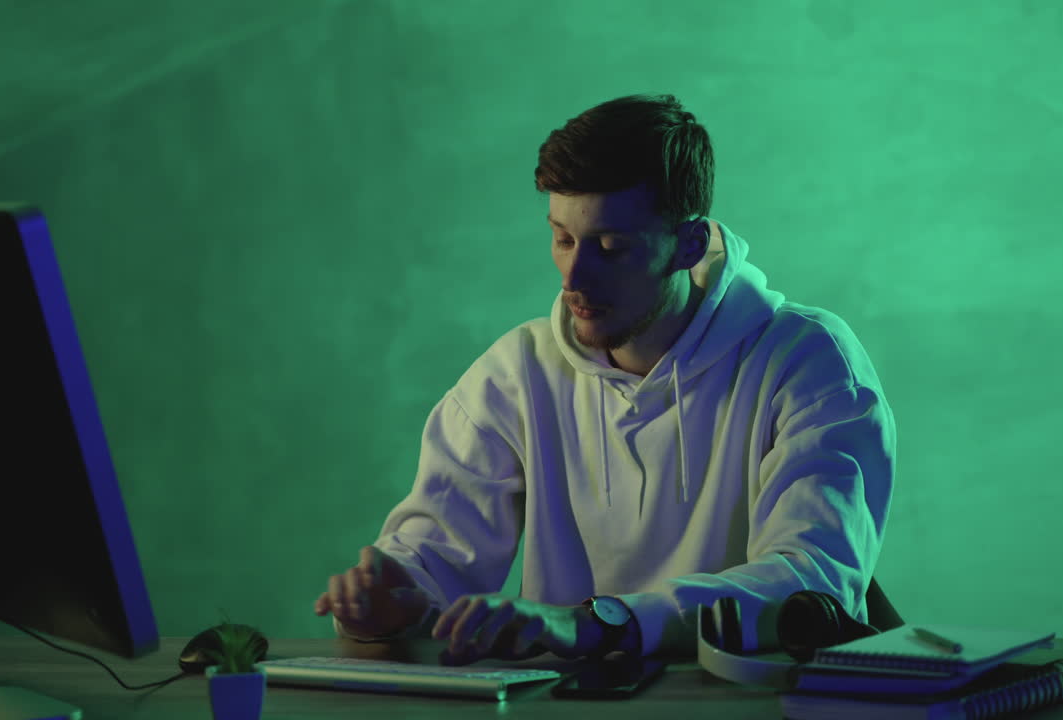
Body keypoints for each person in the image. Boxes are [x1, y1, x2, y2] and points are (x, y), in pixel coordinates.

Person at [313, 93, 895, 666]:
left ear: (688, 245)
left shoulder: (809, 362)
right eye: (562, 239)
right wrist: (391, 602)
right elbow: (432, 558)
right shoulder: (516, 374)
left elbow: (813, 583)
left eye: (611, 247)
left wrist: (600, 623)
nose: (574, 274)